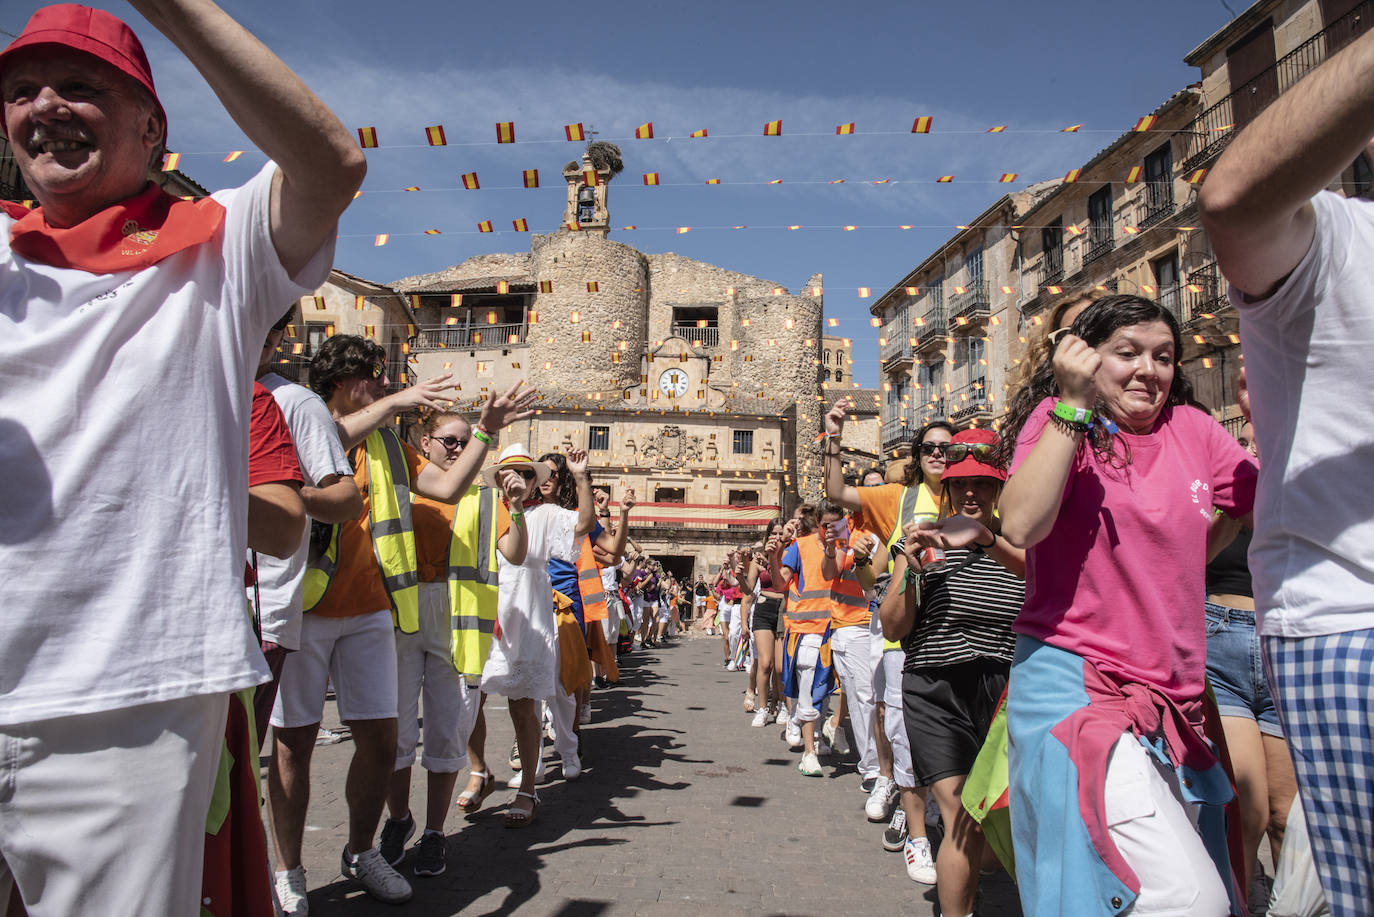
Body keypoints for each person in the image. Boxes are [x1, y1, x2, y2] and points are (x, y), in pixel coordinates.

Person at [0, 1, 363, 911]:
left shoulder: (218, 249)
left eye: (80, 87)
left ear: (153, 126)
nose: (45, 106)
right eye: (21, 91)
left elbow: (331, 162)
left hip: (125, 698)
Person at [997, 294, 1257, 915]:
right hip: (1076, 689)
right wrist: (1072, 406)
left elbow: (1254, 506)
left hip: (1175, 702)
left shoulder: (1194, 429)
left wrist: (1270, 424)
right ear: (1086, 359)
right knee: (1187, 899)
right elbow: (1022, 525)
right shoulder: (1058, 421)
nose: (1149, 370)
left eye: (1164, 356)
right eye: (1129, 353)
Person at [1198, 28, 1374, 913]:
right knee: (1256, 804)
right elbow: (1230, 200)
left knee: (1279, 821)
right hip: (1322, 626)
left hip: (1262, 632)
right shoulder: (1336, 240)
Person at [268, 336, 534, 906]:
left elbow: (446, 485)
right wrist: (397, 402)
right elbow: (329, 440)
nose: (386, 387)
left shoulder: (390, 443)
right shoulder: (297, 421)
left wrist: (484, 431)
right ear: (342, 382)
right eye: (375, 378)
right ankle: (289, 872)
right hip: (304, 606)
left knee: (382, 742)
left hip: (372, 611)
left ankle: (362, 852)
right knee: (294, 744)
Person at [880, 428, 1027, 913]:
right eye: (961, 483)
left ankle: (972, 873)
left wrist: (988, 541)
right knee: (962, 813)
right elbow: (895, 626)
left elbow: (1041, 586)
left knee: (985, 834)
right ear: (945, 489)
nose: (970, 493)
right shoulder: (922, 542)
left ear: (998, 489)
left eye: (982, 484)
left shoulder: (1017, 541)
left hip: (1003, 690)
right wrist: (913, 569)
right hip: (934, 686)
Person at [379, 411, 529, 878]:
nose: (459, 450)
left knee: (445, 733)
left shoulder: (486, 499)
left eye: (467, 443)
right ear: (425, 443)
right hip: (401, 617)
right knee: (396, 734)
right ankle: (398, 819)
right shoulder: (400, 488)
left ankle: (434, 833)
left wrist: (518, 506)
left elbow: (516, 554)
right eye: (450, 442)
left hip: (456, 622)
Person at [253, 309, 363, 746]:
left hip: (264, 605)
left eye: (269, 323)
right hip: (189, 605)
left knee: (232, 761)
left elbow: (345, 499)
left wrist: (276, 497)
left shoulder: (294, 402)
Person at [745, 524, 787, 727]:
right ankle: (762, 708)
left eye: (781, 533)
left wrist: (773, 561)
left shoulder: (790, 553)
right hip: (763, 607)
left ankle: (781, 705)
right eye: (774, 533)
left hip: (784, 607)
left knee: (780, 668)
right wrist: (739, 574)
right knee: (764, 663)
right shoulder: (758, 556)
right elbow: (748, 589)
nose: (777, 537)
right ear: (767, 535)